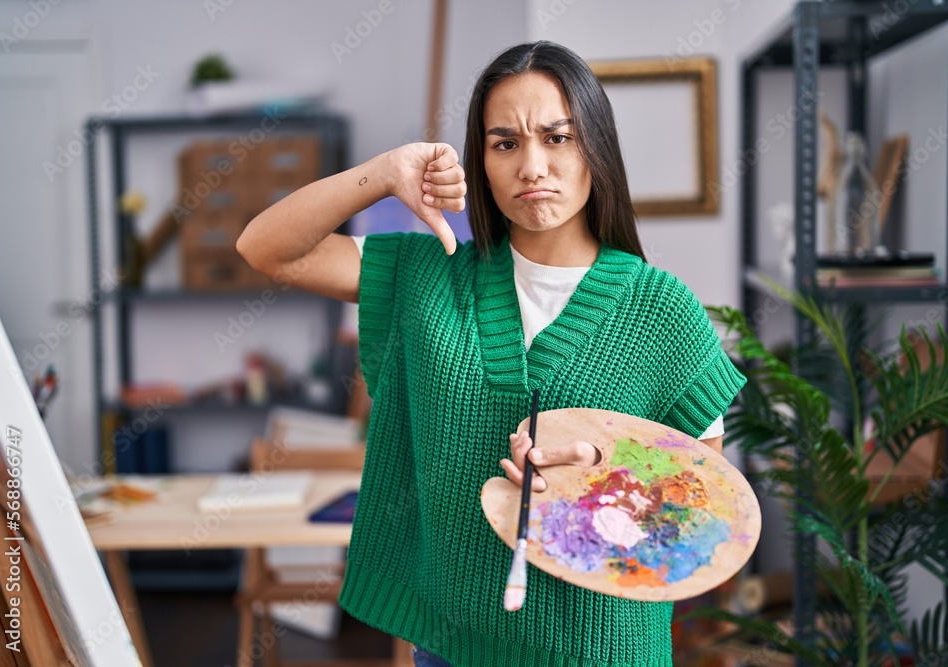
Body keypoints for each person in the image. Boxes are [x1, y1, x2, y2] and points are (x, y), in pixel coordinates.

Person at [238, 40, 745, 667]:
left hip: (601, 652)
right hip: (453, 647)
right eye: (505, 143)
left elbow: (702, 508)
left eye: (557, 137)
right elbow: (266, 248)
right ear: (480, 161)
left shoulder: (660, 311)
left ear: (596, 150)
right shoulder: (428, 276)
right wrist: (387, 172)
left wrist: (600, 465)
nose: (532, 165)